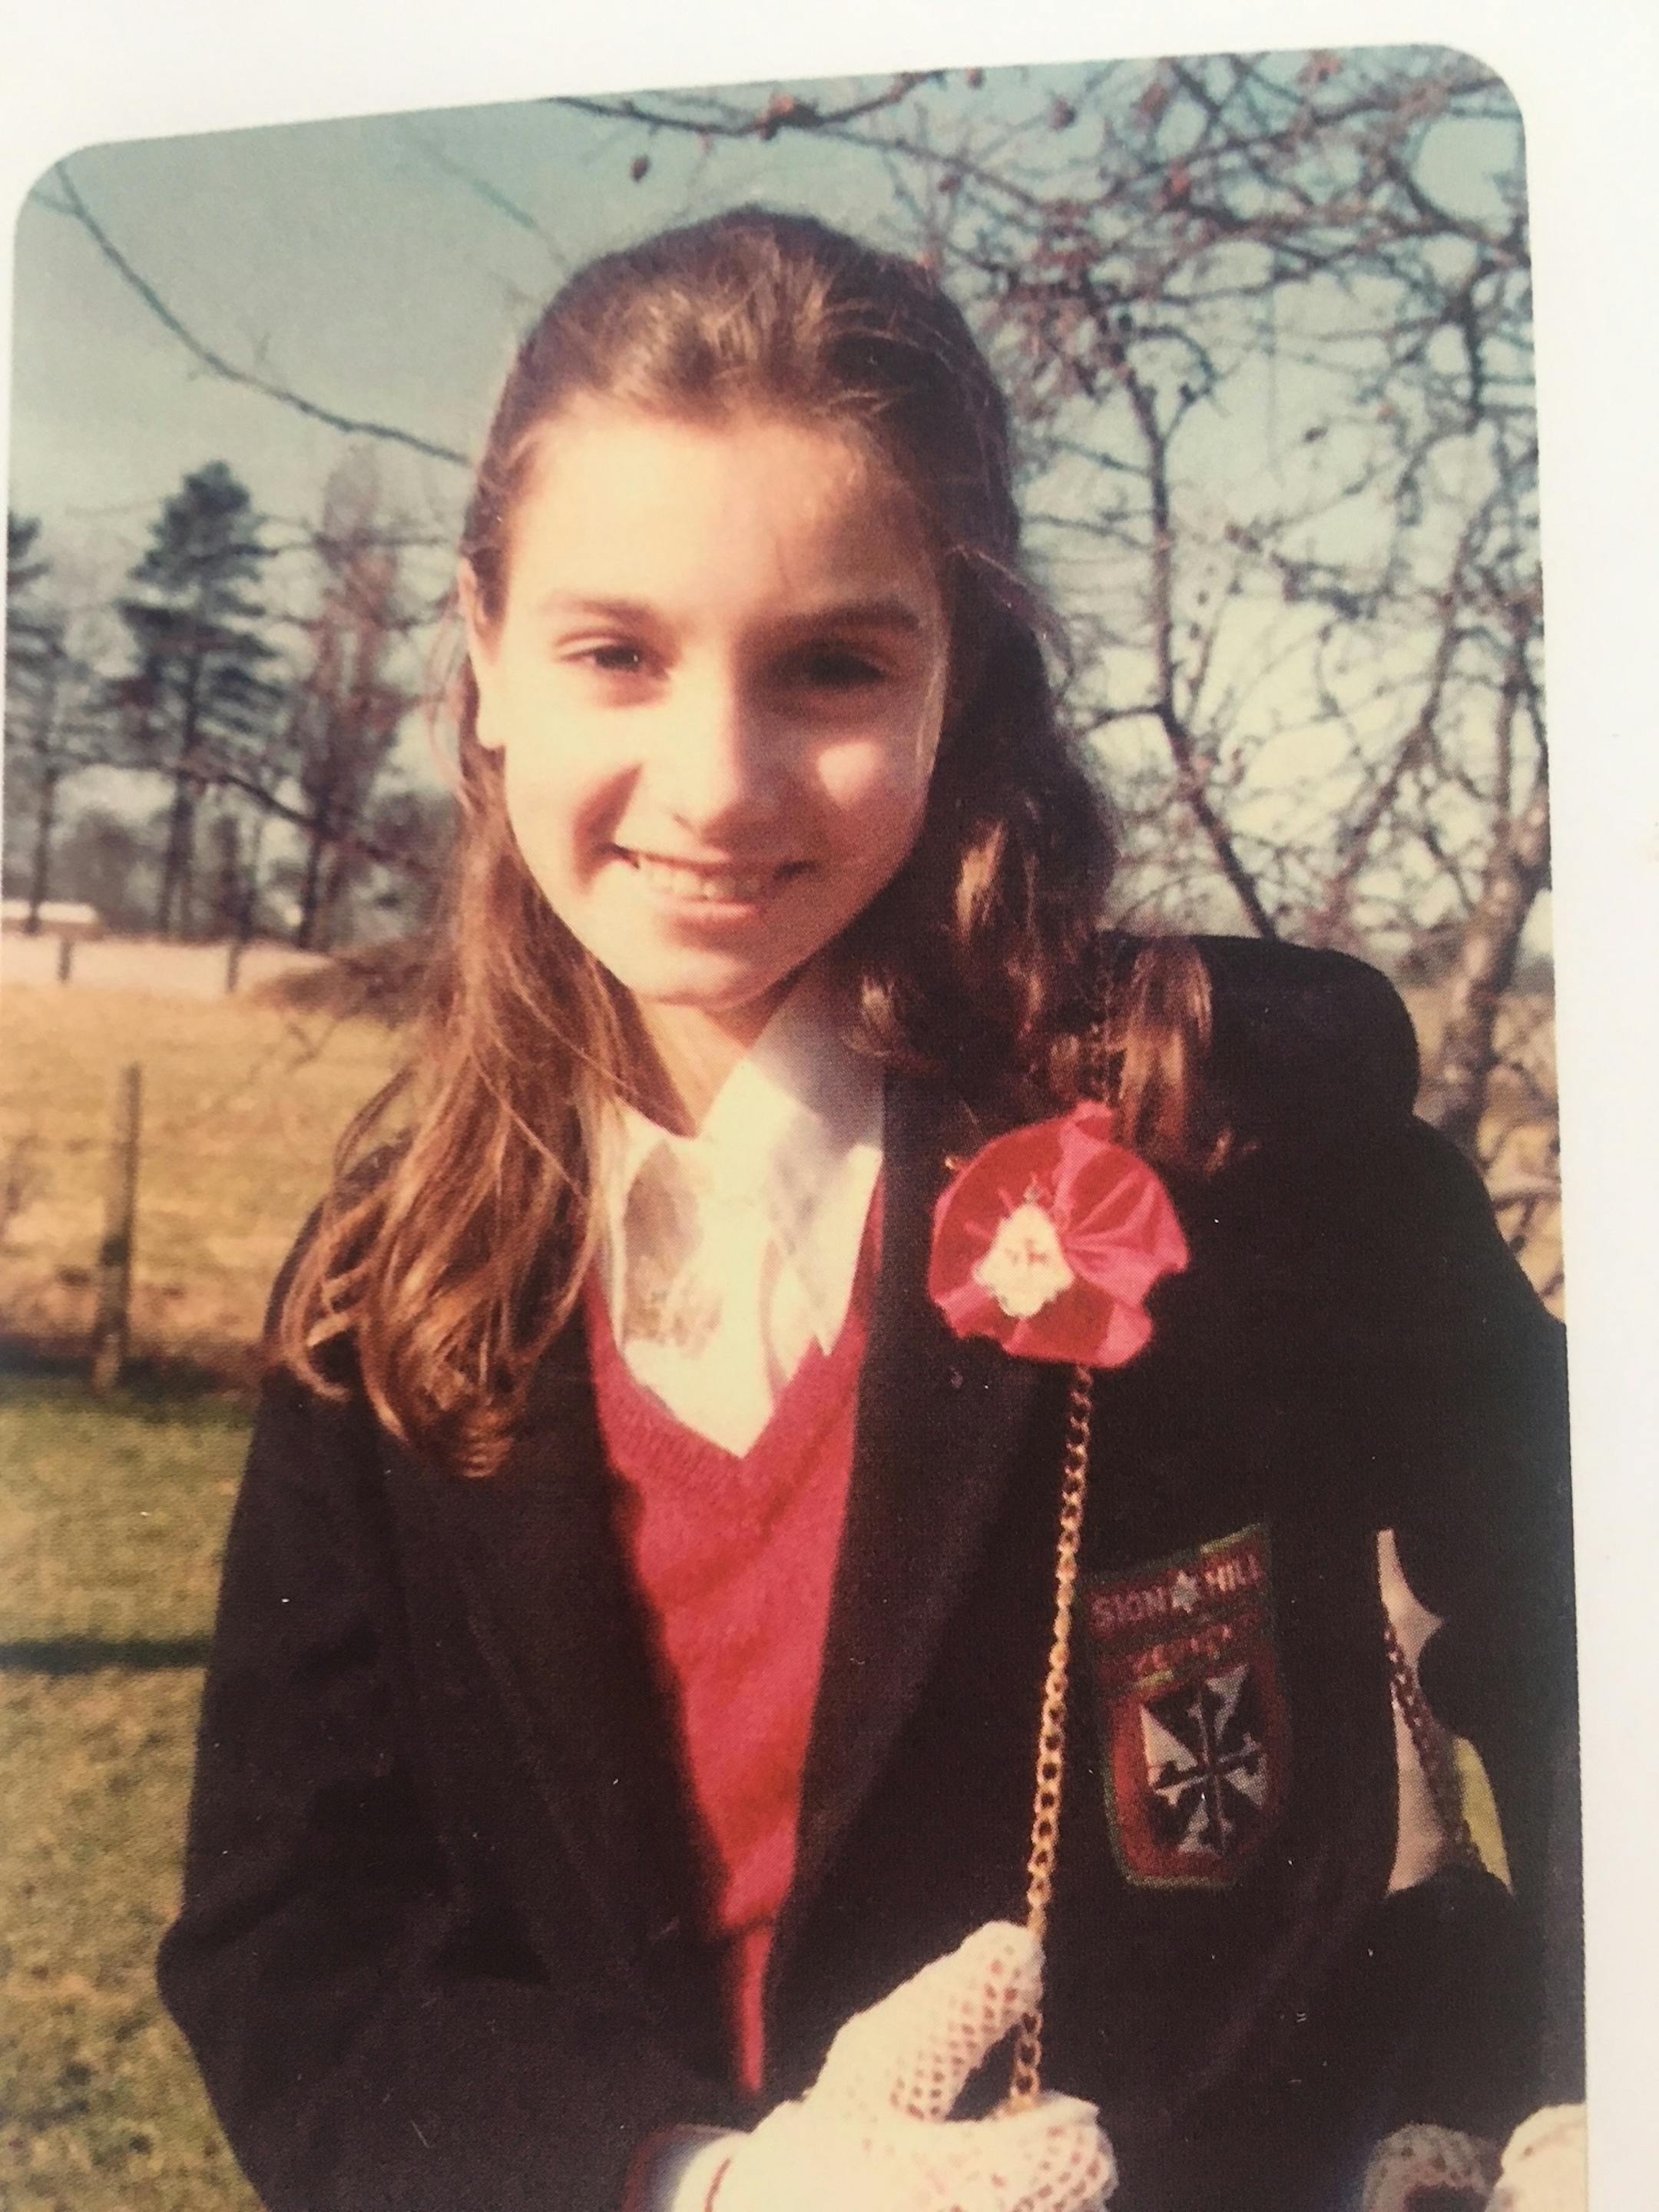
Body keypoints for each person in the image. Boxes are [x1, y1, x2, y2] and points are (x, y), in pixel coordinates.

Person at [157, 210, 1579, 2212]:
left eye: (832, 663)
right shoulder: (392, 1273)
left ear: (963, 682)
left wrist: (1575, 2090)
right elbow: (293, 1941)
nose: (718, 784)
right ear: (483, 668)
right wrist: (694, 2190)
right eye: (614, 654)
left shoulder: (1233, 1137)